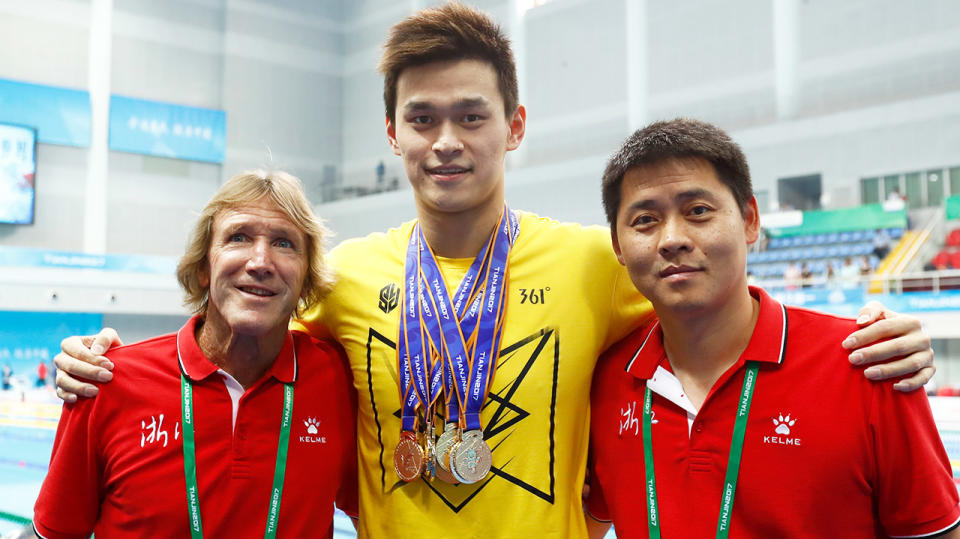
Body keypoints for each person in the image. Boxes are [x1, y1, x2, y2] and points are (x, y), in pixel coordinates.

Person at [53, 4, 936, 538]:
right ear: (391, 131)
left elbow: (710, 289)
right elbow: (234, 337)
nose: (447, 140)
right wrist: (94, 359)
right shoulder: (338, 279)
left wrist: (877, 334)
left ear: (514, 126)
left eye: (472, 115)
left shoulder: (599, 260)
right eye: (422, 116)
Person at [587, 119, 960, 538]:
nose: (672, 239)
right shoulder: (605, 380)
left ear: (749, 220)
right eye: (644, 220)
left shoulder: (868, 365)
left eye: (697, 211)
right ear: (617, 246)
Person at [32, 171, 358, 537]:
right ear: (204, 267)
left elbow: (373, 512)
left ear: (305, 280)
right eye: (238, 237)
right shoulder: (105, 379)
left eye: (284, 243)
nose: (261, 262)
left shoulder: (340, 381)